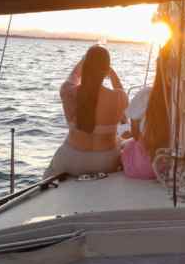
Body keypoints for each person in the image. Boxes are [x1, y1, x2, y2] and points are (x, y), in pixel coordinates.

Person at [44, 45, 128, 177]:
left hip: (72, 159)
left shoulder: (68, 92)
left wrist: (82, 63)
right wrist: (111, 72)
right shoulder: (119, 97)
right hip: (106, 161)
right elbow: (120, 90)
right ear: (106, 69)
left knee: (47, 177)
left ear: (85, 67)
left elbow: (72, 77)